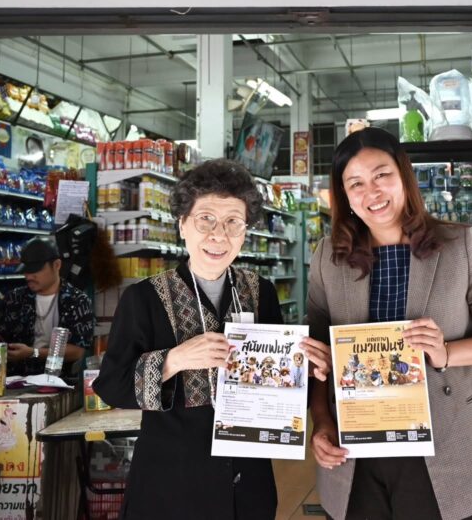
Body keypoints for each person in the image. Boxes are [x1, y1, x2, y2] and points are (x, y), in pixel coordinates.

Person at [307, 127, 472, 520]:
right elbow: (317, 353)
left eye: (382, 175)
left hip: (450, 440)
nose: (372, 192)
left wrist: (446, 353)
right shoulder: (328, 256)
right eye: (356, 183)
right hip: (357, 446)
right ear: (344, 196)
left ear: (404, 176)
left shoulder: (460, 246)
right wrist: (322, 423)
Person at [93, 159, 331, 520]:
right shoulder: (144, 298)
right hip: (170, 485)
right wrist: (174, 360)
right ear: (182, 224)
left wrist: (304, 370)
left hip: (247, 483)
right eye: (206, 219)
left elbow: (278, 387)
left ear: (245, 231)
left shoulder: (260, 292)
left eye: (233, 222)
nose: (219, 235)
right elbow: (112, 386)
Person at [0, 236, 94, 375]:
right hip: (14, 380)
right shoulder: (13, 299)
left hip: (60, 381)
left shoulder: (77, 301)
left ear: (56, 265)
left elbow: (76, 351)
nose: (28, 276)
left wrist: (33, 353)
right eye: (26, 271)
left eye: (35, 271)